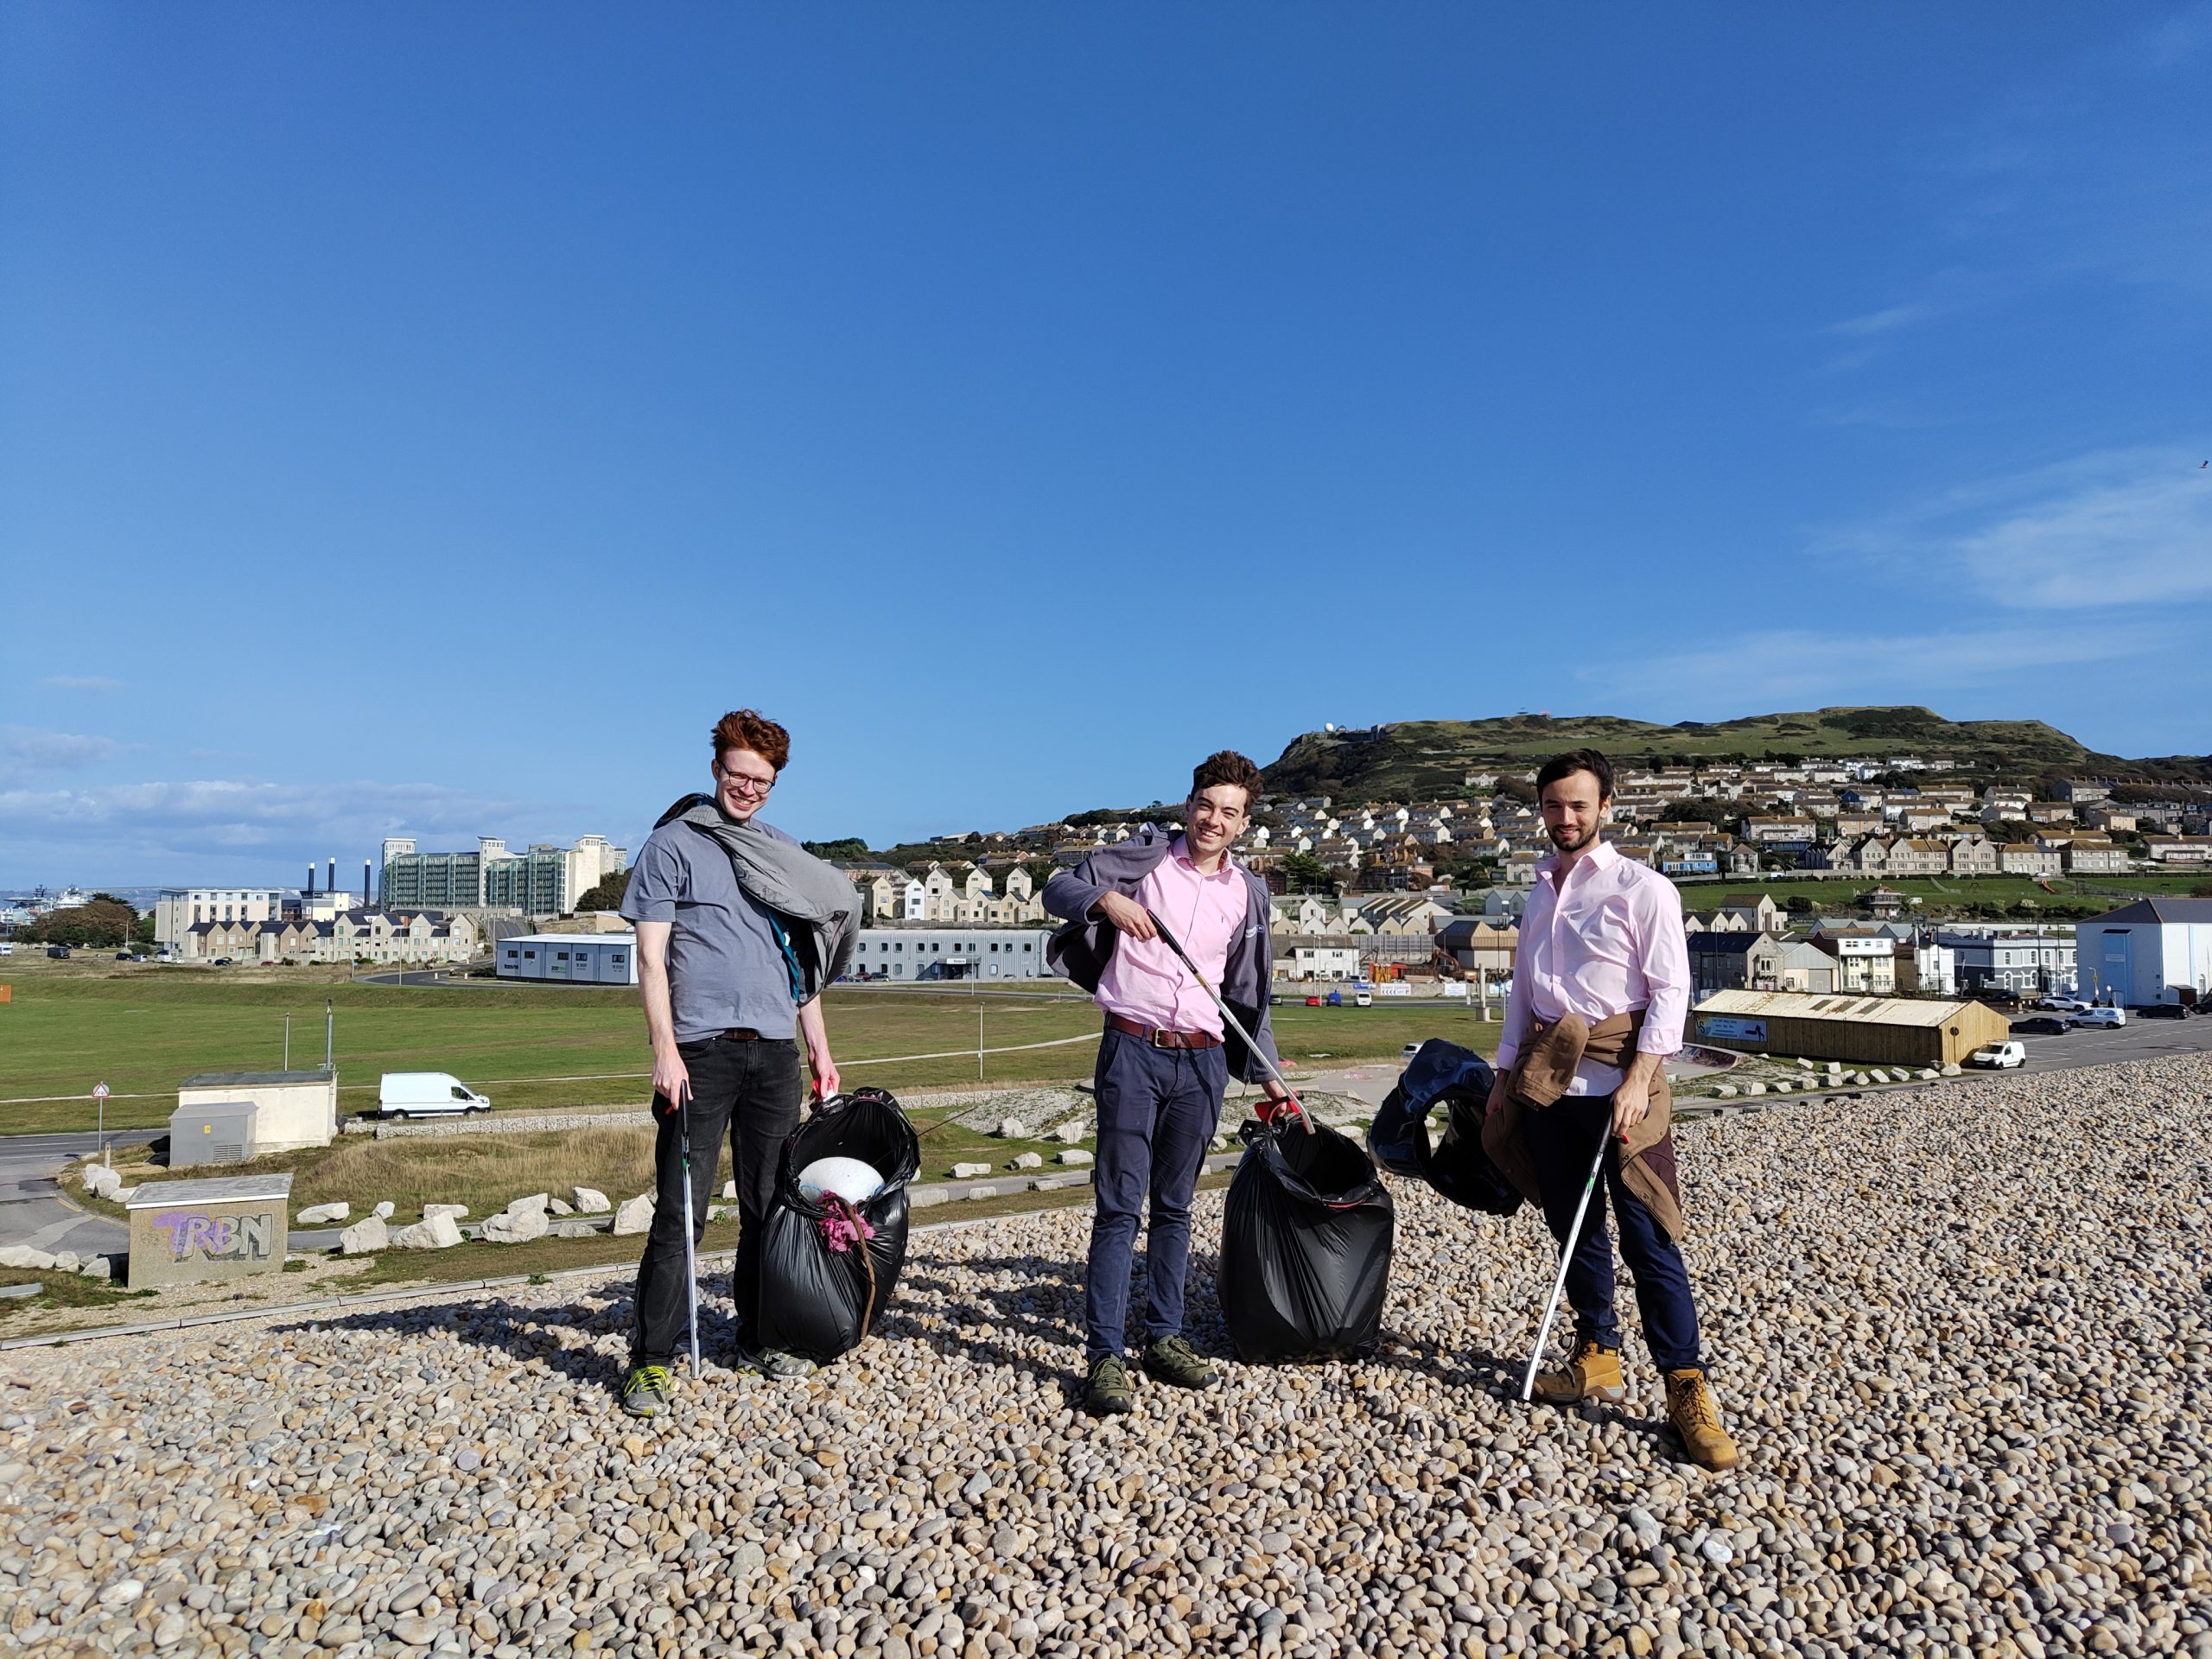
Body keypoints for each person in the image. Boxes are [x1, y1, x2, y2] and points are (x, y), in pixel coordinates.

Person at [1480, 747, 1738, 1471]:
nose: (1566, 818)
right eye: (1554, 806)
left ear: (1606, 808)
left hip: (1624, 1084)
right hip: (1548, 1087)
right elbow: (1523, 999)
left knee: (1649, 1234)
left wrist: (1641, 1076)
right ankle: (1596, 1352)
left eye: (1579, 805)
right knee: (1572, 1231)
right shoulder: (1537, 893)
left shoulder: (1643, 888)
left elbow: (1669, 992)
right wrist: (1505, 1076)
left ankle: (1686, 1387)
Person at [1044, 750, 1299, 1416]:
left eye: (1230, 812)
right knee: (1120, 1207)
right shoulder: (1146, 857)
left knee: (1177, 1207)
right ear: (1188, 805)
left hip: (1205, 1059)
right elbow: (1057, 889)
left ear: (1245, 824)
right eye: (1206, 806)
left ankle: (1164, 1338)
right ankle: (1104, 1354)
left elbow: (1248, 993)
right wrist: (1106, 900)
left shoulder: (1249, 892)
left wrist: (1269, 1075)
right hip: (1132, 1049)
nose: (1214, 820)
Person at [615, 709, 849, 1417]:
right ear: (716, 767)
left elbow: (798, 967)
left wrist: (821, 1051)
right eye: (739, 774)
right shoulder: (673, 845)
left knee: (770, 1210)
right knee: (680, 1215)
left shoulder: (779, 851)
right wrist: (664, 1050)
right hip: (701, 1054)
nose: (748, 789)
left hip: (775, 1053)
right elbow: (651, 958)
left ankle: (758, 1337)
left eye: (763, 781)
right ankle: (651, 1361)